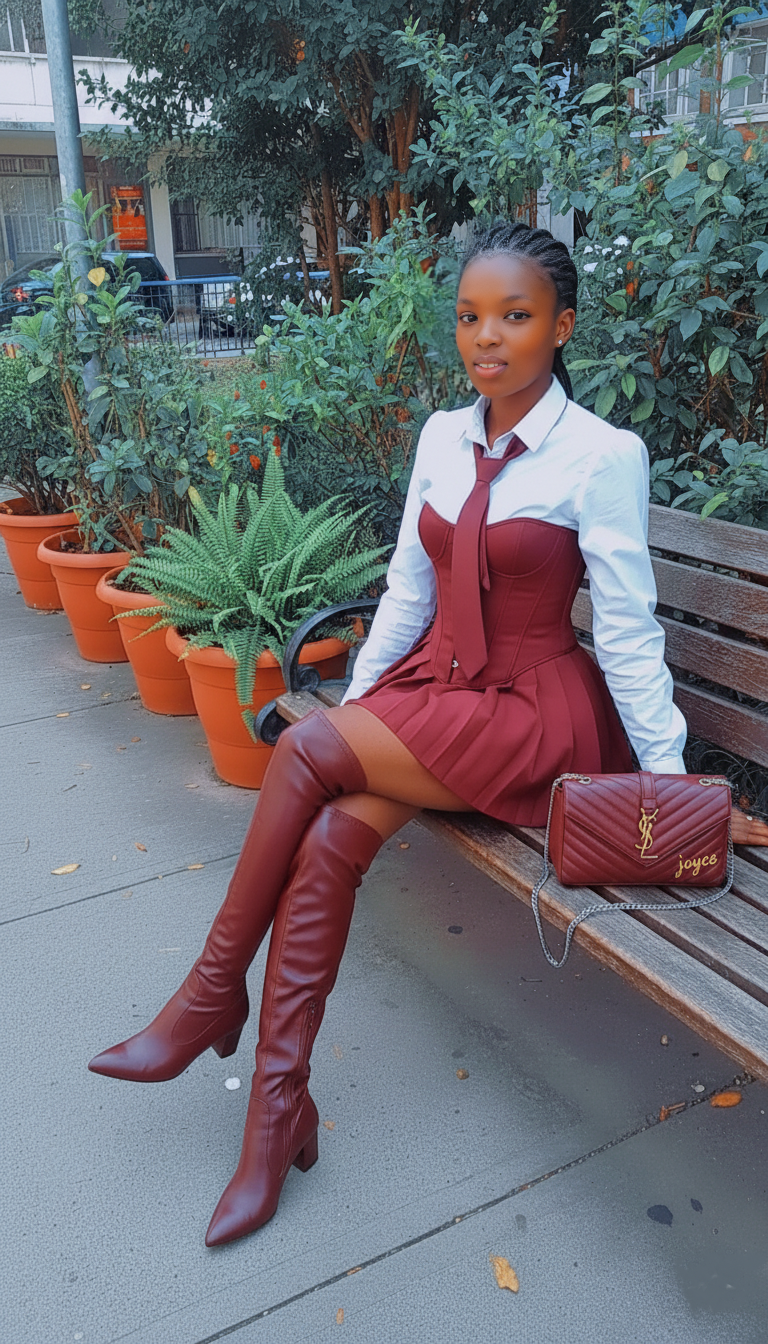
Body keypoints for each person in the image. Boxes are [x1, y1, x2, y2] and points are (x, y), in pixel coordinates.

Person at [88, 220, 768, 1247]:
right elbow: (407, 590)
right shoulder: (443, 437)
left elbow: (629, 633)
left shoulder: (600, 456)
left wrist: (663, 789)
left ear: (562, 326)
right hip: (440, 698)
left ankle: (208, 995)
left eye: (515, 316)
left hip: (538, 718)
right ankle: (277, 1117)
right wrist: (371, 706)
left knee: (315, 748)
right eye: (470, 317)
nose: (486, 338)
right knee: (326, 837)